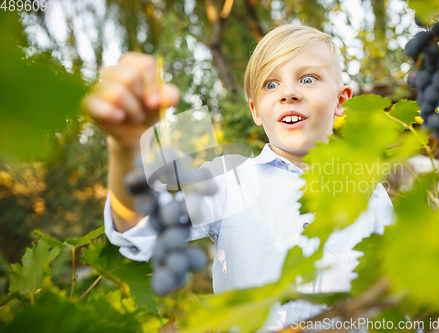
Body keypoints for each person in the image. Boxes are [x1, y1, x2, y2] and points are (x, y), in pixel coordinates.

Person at [82, 24, 395, 331]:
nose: (288, 93)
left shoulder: (372, 195)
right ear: (255, 110)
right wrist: (125, 149)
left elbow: (400, 302)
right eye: (270, 85)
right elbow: (139, 226)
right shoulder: (229, 182)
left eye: (308, 78)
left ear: (341, 101)